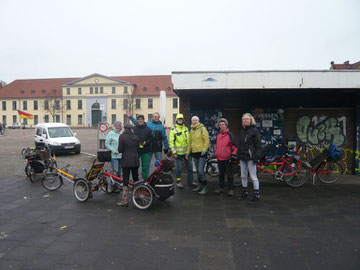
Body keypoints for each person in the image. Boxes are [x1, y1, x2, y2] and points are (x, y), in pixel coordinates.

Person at [237, 113, 262, 203]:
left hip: (251, 157)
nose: (245, 120)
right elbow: (240, 144)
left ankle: (256, 194)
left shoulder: (254, 131)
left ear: (251, 120)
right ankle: (245, 192)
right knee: (243, 176)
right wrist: (238, 155)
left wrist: (256, 157)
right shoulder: (242, 131)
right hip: (242, 156)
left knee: (253, 176)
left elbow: (258, 145)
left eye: (247, 119)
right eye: (244, 119)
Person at [169, 113, 195, 188]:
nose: (180, 120)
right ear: (176, 120)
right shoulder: (173, 129)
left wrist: (188, 152)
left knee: (190, 167)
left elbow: (189, 141)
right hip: (178, 154)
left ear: (183, 120)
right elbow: (171, 142)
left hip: (187, 153)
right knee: (179, 168)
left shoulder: (186, 129)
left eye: (181, 119)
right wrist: (174, 152)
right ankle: (178, 181)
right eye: (178, 119)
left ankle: (191, 181)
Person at [117, 124, 140, 206]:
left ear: (124, 129)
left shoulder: (122, 137)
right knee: (136, 178)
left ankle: (125, 200)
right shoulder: (136, 137)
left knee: (125, 180)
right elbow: (138, 148)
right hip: (135, 160)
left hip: (126, 161)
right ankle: (137, 195)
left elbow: (120, 150)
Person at [214, 118, 238, 196]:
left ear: (226, 125)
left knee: (229, 175)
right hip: (220, 158)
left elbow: (235, 146)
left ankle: (231, 189)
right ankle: (221, 188)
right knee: (221, 174)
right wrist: (216, 153)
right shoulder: (218, 135)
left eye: (223, 125)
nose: (221, 126)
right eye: (220, 125)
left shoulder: (230, 135)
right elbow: (217, 146)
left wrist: (233, 155)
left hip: (228, 159)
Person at [189, 116, 210, 195]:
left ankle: (205, 187)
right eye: (193, 120)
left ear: (198, 121)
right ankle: (200, 185)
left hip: (202, 153)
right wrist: (188, 152)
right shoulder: (191, 130)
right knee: (198, 171)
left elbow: (206, 140)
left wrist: (204, 150)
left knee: (201, 171)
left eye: (196, 120)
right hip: (194, 153)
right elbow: (190, 142)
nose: (194, 121)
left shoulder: (202, 129)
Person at [132, 114, 153, 180]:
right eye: (139, 119)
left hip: (145, 150)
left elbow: (151, 138)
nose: (140, 120)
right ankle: (135, 179)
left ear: (144, 120)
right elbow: (131, 138)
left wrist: (146, 142)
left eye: (141, 119)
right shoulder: (133, 129)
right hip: (136, 150)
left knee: (145, 166)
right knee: (135, 165)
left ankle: (145, 178)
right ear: (137, 120)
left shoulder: (148, 129)